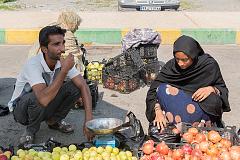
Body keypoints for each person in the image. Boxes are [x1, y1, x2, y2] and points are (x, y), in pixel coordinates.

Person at [8, 25, 93, 146]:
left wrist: (88, 120)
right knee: (35, 97)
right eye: (56, 44)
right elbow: (42, 99)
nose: (62, 48)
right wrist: (63, 71)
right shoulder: (33, 64)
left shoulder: (61, 61)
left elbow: (83, 86)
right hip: (22, 111)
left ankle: (54, 121)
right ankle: (30, 130)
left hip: (44, 104)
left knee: (75, 86)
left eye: (62, 43)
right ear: (44, 49)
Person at [146, 35, 230, 131]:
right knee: (162, 89)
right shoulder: (171, 67)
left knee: (213, 98)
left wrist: (211, 89)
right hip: (178, 108)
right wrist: (158, 112)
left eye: (185, 60)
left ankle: (197, 128)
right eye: (177, 59)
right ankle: (178, 127)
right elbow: (153, 91)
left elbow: (222, 89)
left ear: (193, 55)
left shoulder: (208, 65)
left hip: (200, 110)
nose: (180, 63)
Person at [28, 10, 85, 76]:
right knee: (73, 59)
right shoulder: (67, 33)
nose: (77, 28)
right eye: (77, 25)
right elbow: (73, 53)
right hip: (49, 67)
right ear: (72, 23)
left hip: (35, 62)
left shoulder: (51, 27)